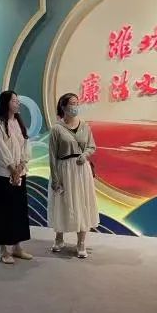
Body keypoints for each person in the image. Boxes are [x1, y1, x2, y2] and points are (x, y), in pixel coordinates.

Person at [48, 93, 99, 258]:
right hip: (64, 169)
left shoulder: (85, 126)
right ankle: (59, 238)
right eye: (72, 103)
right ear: (63, 107)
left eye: (77, 103)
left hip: (81, 170)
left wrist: (85, 155)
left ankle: (81, 242)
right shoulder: (56, 129)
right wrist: (55, 178)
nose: (75, 106)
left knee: (82, 203)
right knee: (62, 203)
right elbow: (52, 156)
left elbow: (91, 146)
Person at [0, 91, 32, 264]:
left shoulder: (19, 122)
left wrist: (21, 165)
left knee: (19, 211)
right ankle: (3, 250)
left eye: (17, 101)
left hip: (20, 173)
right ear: (5, 103)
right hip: (4, 174)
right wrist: (12, 168)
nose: (17, 103)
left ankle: (17, 246)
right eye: (14, 101)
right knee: (4, 211)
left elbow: (26, 144)